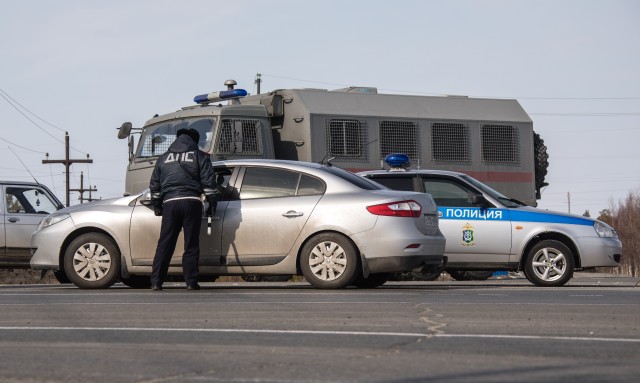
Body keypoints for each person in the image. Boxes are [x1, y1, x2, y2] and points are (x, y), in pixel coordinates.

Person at [149, 128, 219, 291]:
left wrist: (157, 207)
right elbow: (209, 185)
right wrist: (212, 205)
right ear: (194, 141)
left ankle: (156, 282)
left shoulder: (163, 158)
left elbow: (155, 187)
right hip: (192, 202)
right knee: (191, 244)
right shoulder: (200, 157)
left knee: (165, 243)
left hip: (170, 203)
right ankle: (191, 282)